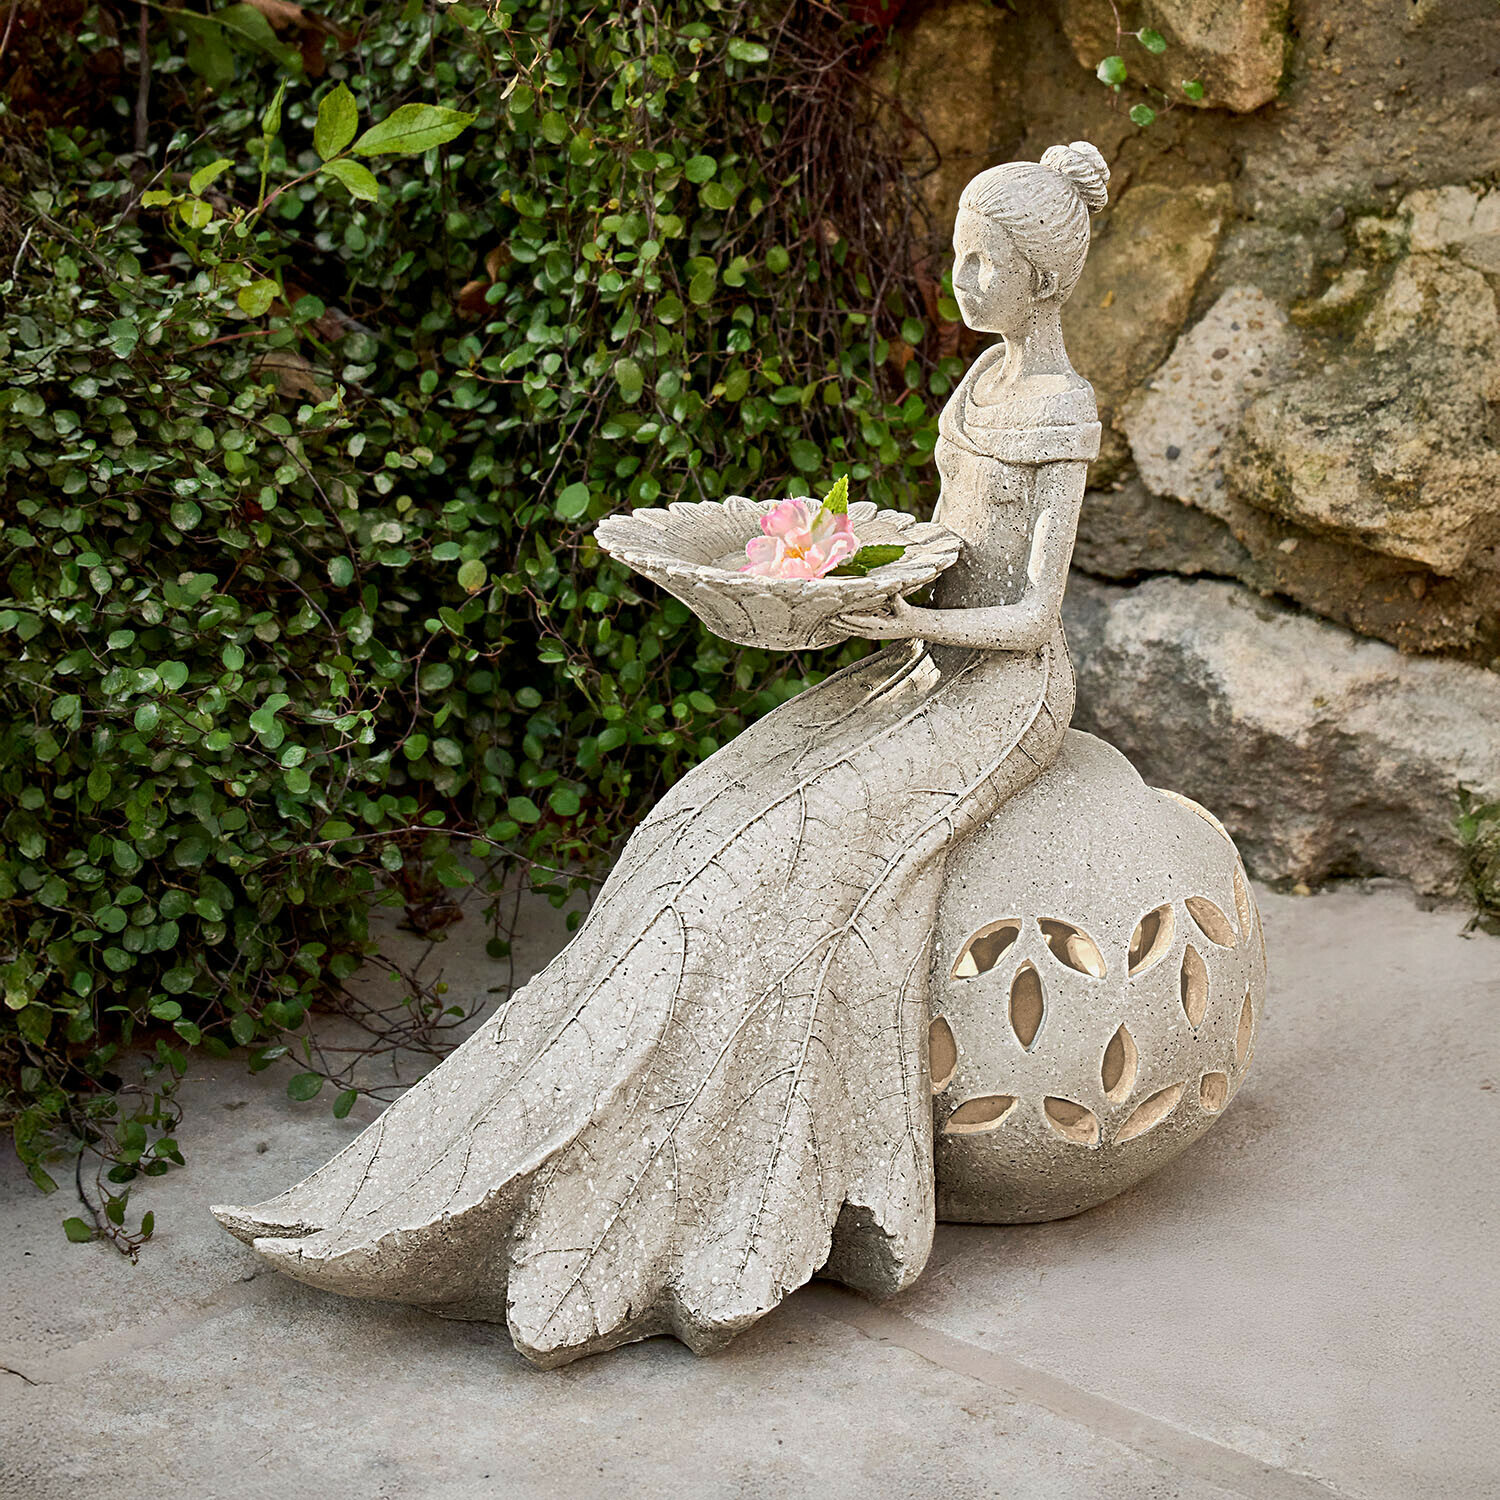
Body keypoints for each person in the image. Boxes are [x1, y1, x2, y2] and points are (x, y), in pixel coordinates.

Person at [214, 142, 1111, 1369]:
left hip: (999, 692)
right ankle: (468, 1155)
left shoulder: (1061, 411)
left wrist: (913, 619)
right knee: (692, 823)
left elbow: (1031, 619)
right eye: (956, 255)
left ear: (1045, 283)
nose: (959, 281)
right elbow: (955, 542)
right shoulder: (980, 385)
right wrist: (842, 570)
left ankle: (709, 1192)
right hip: (918, 657)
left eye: (985, 265)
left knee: (775, 872)